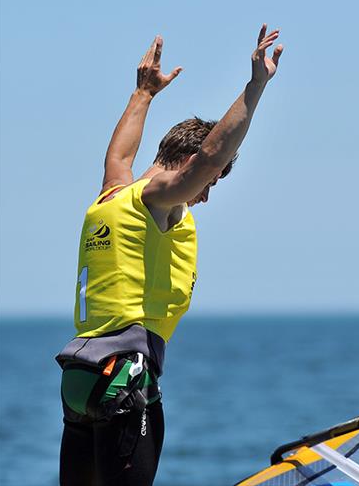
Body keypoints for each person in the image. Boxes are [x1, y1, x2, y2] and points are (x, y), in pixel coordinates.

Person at [55, 24, 283, 486]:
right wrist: (255, 87)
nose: (205, 196)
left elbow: (119, 153)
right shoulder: (161, 197)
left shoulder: (114, 195)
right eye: (209, 185)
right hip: (123, 378)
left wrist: (143, 93)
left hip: (79, 382)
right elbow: (211, 157)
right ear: (188, 164)